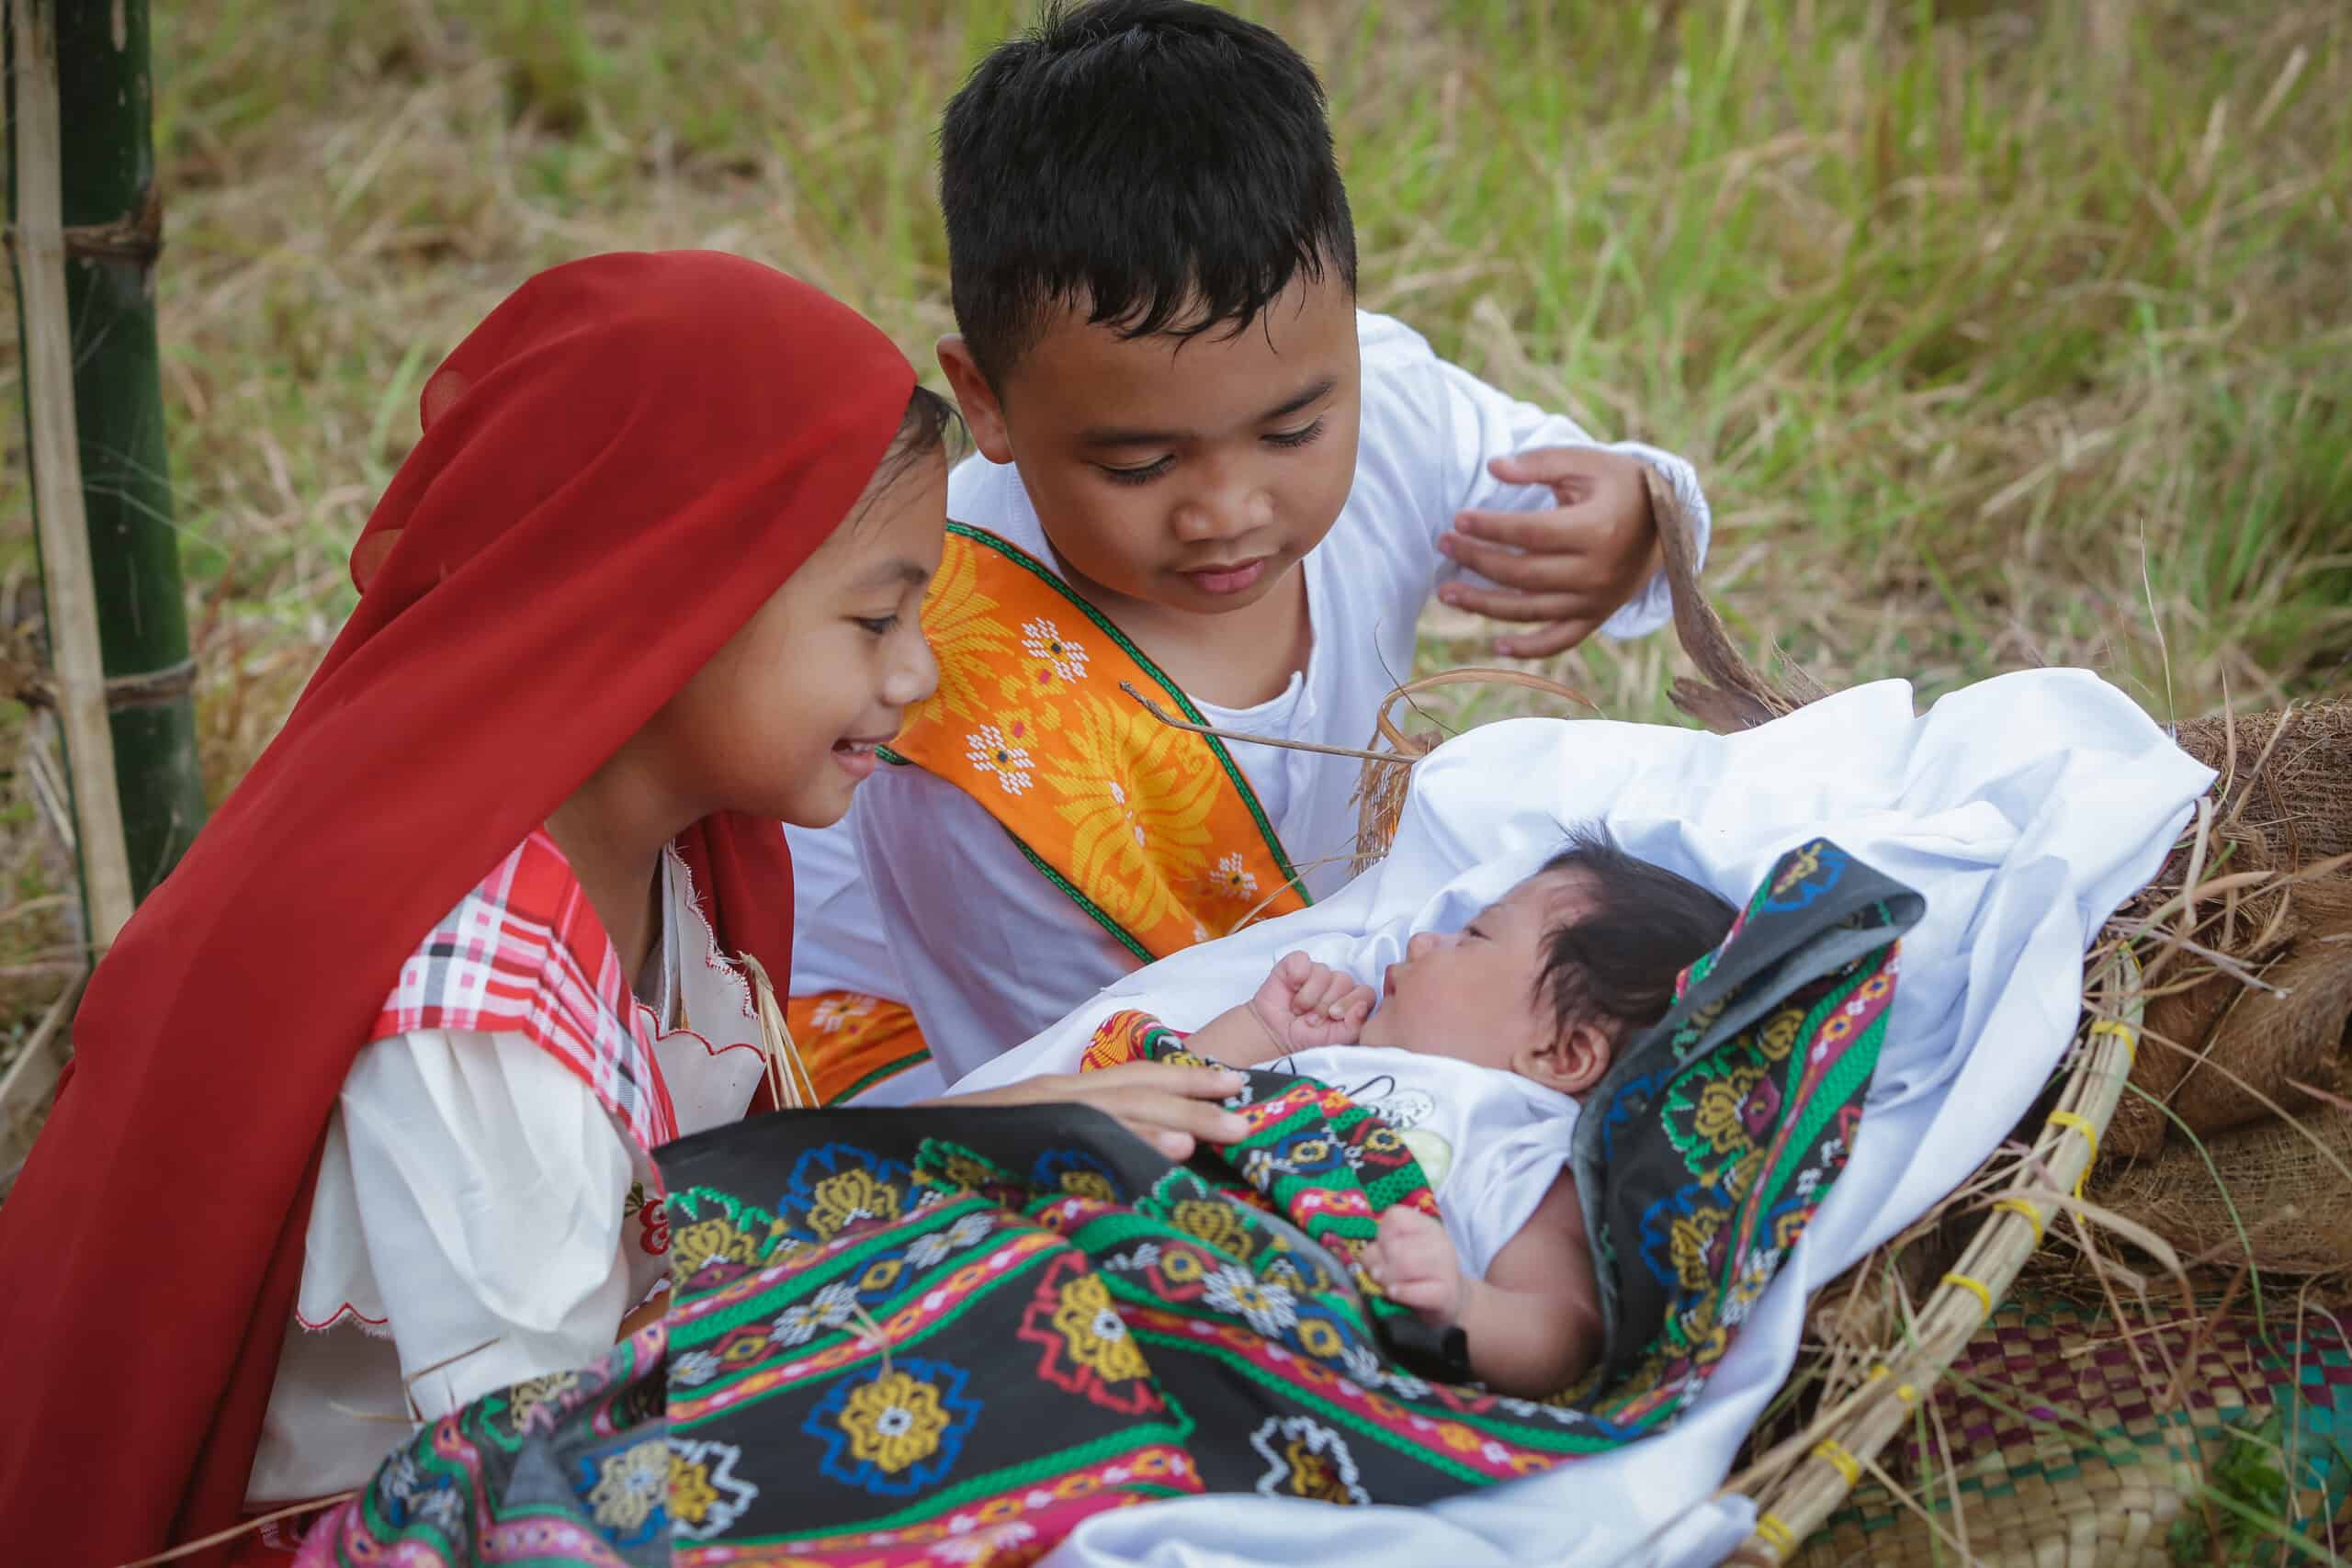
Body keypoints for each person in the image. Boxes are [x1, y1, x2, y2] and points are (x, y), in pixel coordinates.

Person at [0, 252, 1246, 1568]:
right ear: (674, 603)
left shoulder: (669, 849)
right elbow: (556, 1470)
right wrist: (936, 1182)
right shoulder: (465, 1014)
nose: (917, 670)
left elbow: (653, 1237)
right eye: (876, 616)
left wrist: (961, 1148)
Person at [784, 0, 1718, 1105]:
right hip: (946, 1048)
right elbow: (1062, 1087)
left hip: (1304, 982)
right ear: (985, 399)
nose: (1227, 510)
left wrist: (1633, 520)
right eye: (1138, 465)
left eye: (1291, 434)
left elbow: (1574, 476)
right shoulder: (959, 710)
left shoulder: (1376, 395)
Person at [1151, 832, 1739, 1395]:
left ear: (1562, 1054)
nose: (1422, 941)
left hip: (1252, 1310)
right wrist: (1261, 1033)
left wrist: (1461, 1304)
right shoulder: (1332, 1059)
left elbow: (1562, 1327)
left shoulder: (1520, 1145)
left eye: (1474, 935)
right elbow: (1164, 1094)